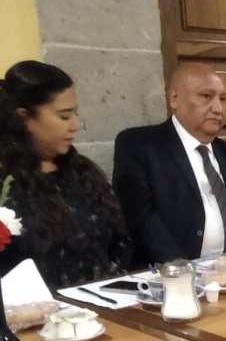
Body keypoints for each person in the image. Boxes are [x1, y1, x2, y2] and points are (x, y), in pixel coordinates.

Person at [113, 63, 226, 266]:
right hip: (173, 274)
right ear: (174, 98)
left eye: (223, 99)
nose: (218, 109)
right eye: (206, 96)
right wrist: (184, 271)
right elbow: (140, 219)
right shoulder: (140, 146)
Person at [0, 61, 132, 290]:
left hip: (105, 302)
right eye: (64, 116)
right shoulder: (6, 183)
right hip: (36, 309)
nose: (75, 125)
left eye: (75, 113)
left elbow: (119, 243)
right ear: (24, 118)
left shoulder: (83, 172)